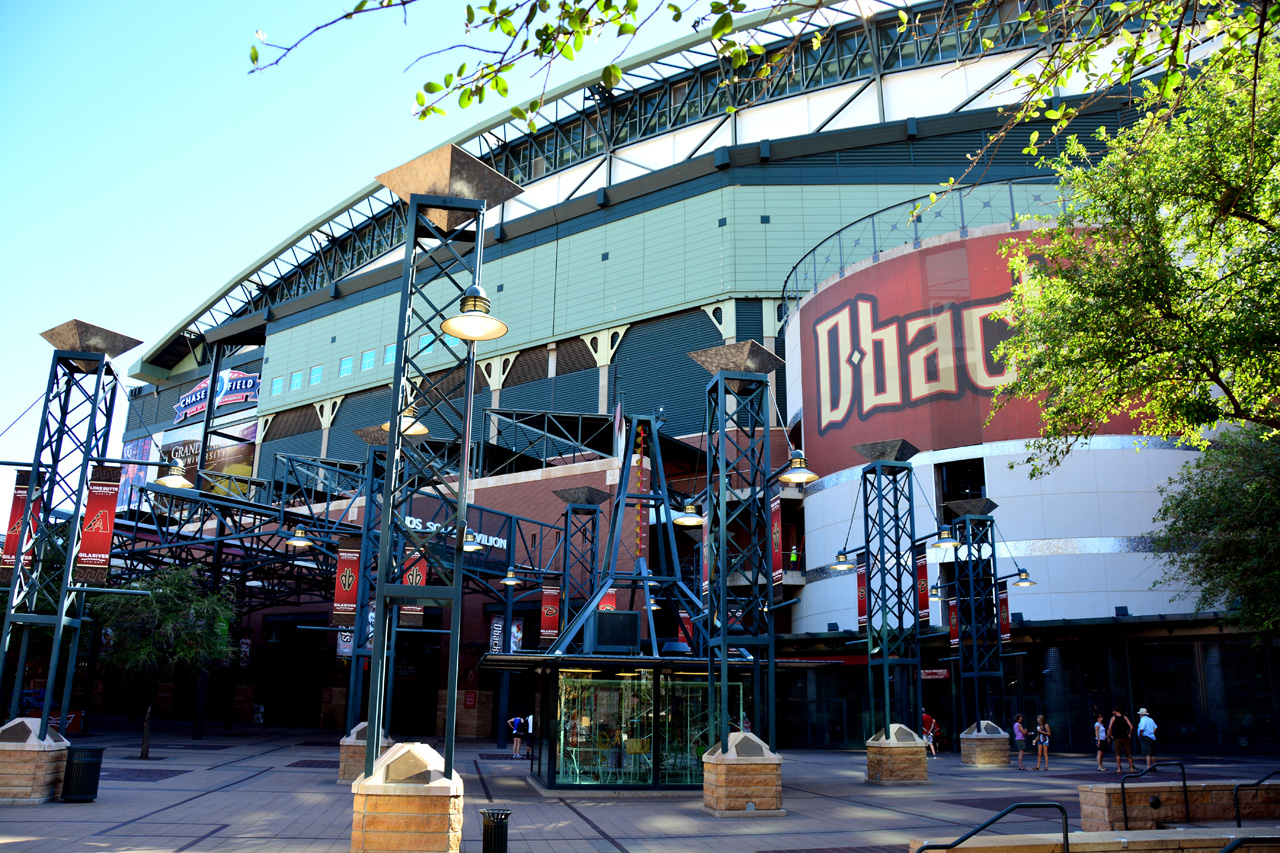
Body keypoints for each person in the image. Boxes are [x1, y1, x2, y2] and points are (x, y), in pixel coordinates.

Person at [1108, 707, 1136, 772]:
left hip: (1117, 737)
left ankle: (1119, 768)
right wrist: (1130, 734)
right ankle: (1131, 768)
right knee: (1128, 753)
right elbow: (1131, 727)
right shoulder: (1125, 717)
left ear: (1115, 711)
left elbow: (1110, 727)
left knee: (1118, 753)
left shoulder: (1113, 718)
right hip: (1125, 737)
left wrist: (1111, 734)